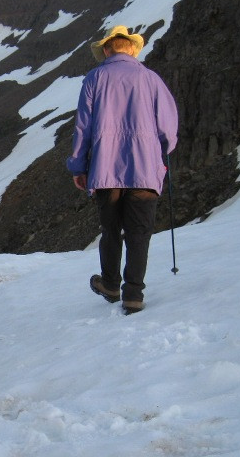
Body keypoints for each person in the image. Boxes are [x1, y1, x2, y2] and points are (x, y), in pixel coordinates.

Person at [66, 25, 179, 314]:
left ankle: (110, 283)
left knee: (111, 230)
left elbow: (83, 128)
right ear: (131, 48)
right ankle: (133, 295)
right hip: (145, 169)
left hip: (106, 170)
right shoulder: (151, 79)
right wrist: (162, 150)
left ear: (106, 49)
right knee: (139, 233)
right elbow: (168, 127)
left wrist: (79, 167)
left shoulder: (95, 78)